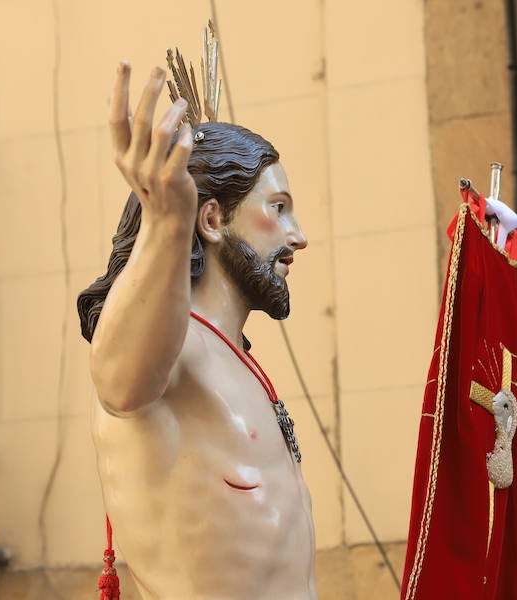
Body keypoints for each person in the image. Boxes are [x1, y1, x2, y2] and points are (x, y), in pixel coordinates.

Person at [76, 61, 316, 599]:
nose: (298, 238)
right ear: (211, 221)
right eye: (277, 209)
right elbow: (119, 381)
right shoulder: (168, 354)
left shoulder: (238, 361)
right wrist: (167, 221)